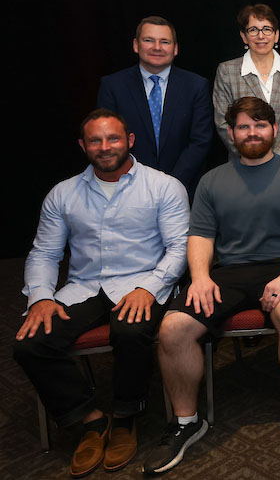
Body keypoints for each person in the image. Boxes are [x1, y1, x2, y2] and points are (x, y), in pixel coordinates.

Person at [143, 97, 280, 474]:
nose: (252, 133)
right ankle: (186, 422)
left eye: (260, 125)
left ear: (274, 130)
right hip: (228, 273)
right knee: (173, 328)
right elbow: (200, 236)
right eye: (244, 126)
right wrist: (199, 277)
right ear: (231, 133)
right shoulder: (212, 181)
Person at [14, 109, 189, 477]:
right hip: (85, 286)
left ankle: (125, 417)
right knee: (30, 343)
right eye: (95, 140)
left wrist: (148, 288)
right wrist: (41, 297)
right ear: (83, 146)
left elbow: (179, 248)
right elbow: (44, 253)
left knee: (130, 330)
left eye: (113, 138)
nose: (105, 147)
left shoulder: (164, 186)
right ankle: (91, 420)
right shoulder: (63, 194)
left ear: (130, 141)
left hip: (144, 282)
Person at [98, 16, 213, 197]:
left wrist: (171, 185)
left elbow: (200, 141)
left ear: (175, 49)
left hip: (183, 189)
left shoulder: (196, 86)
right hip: (128, 189)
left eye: (165, 42)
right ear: (136, 45)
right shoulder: (113, 86)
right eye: (149, 40)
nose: (157, 47)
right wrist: (138, 182)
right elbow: (109, 140)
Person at [213, 4, 280, 167]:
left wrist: (275, 158)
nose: (261, 36)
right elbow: (223, 123)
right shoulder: (227, 72)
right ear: (244, 36)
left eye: (267, 29)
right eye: (253, 30)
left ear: (276, 35)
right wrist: (253, 156)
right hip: (246, 164)